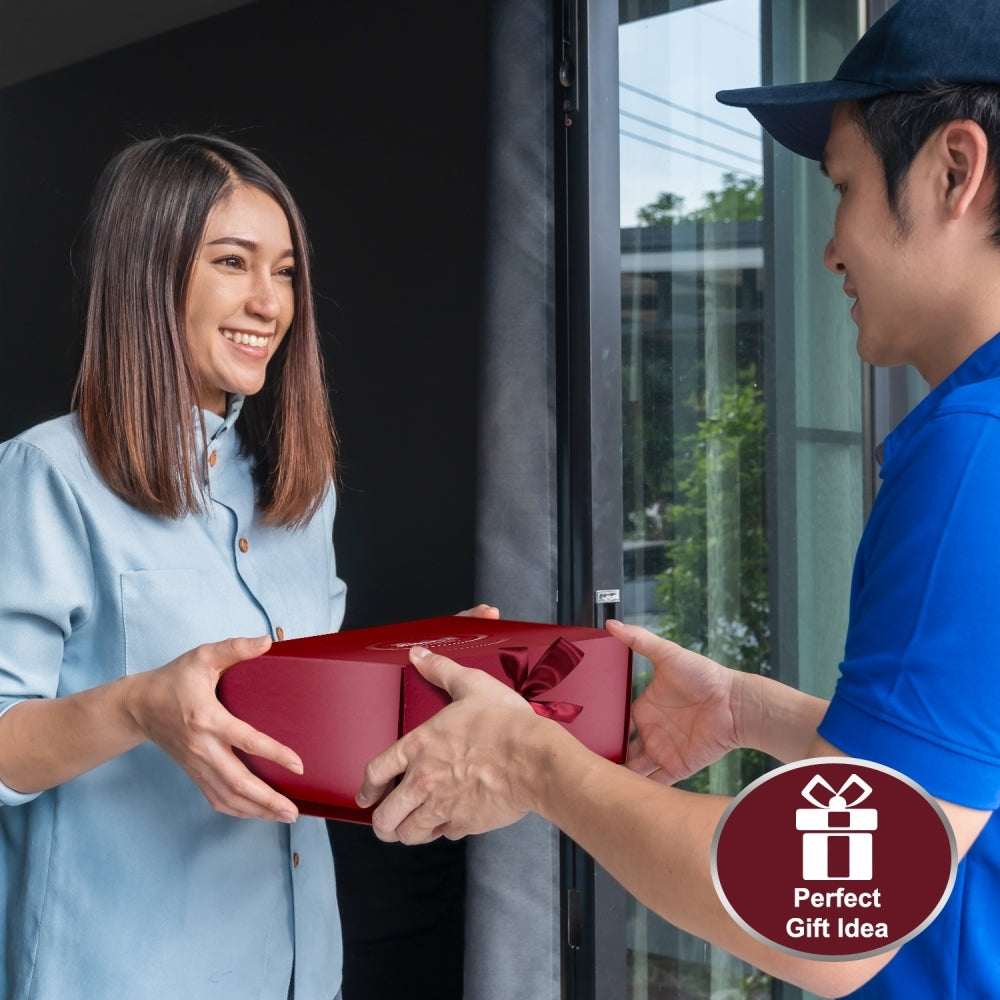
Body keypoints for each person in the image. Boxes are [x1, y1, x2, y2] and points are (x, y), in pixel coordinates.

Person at [356, 0, 1000, 996]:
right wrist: (745, 709)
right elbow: (957, 771)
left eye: (844, 188)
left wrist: (531, 762)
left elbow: (833, 914)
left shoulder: (973, 457)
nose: (831, 248)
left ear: (955, 171)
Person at [1, 132, 345, 1000]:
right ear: (149, 273)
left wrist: (432, 675)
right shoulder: (47, 476)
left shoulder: (303, 492)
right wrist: (138, 706)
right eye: (233, 262)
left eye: (286, 272)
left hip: (301, 971)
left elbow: (314, 727)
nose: (268, 302)